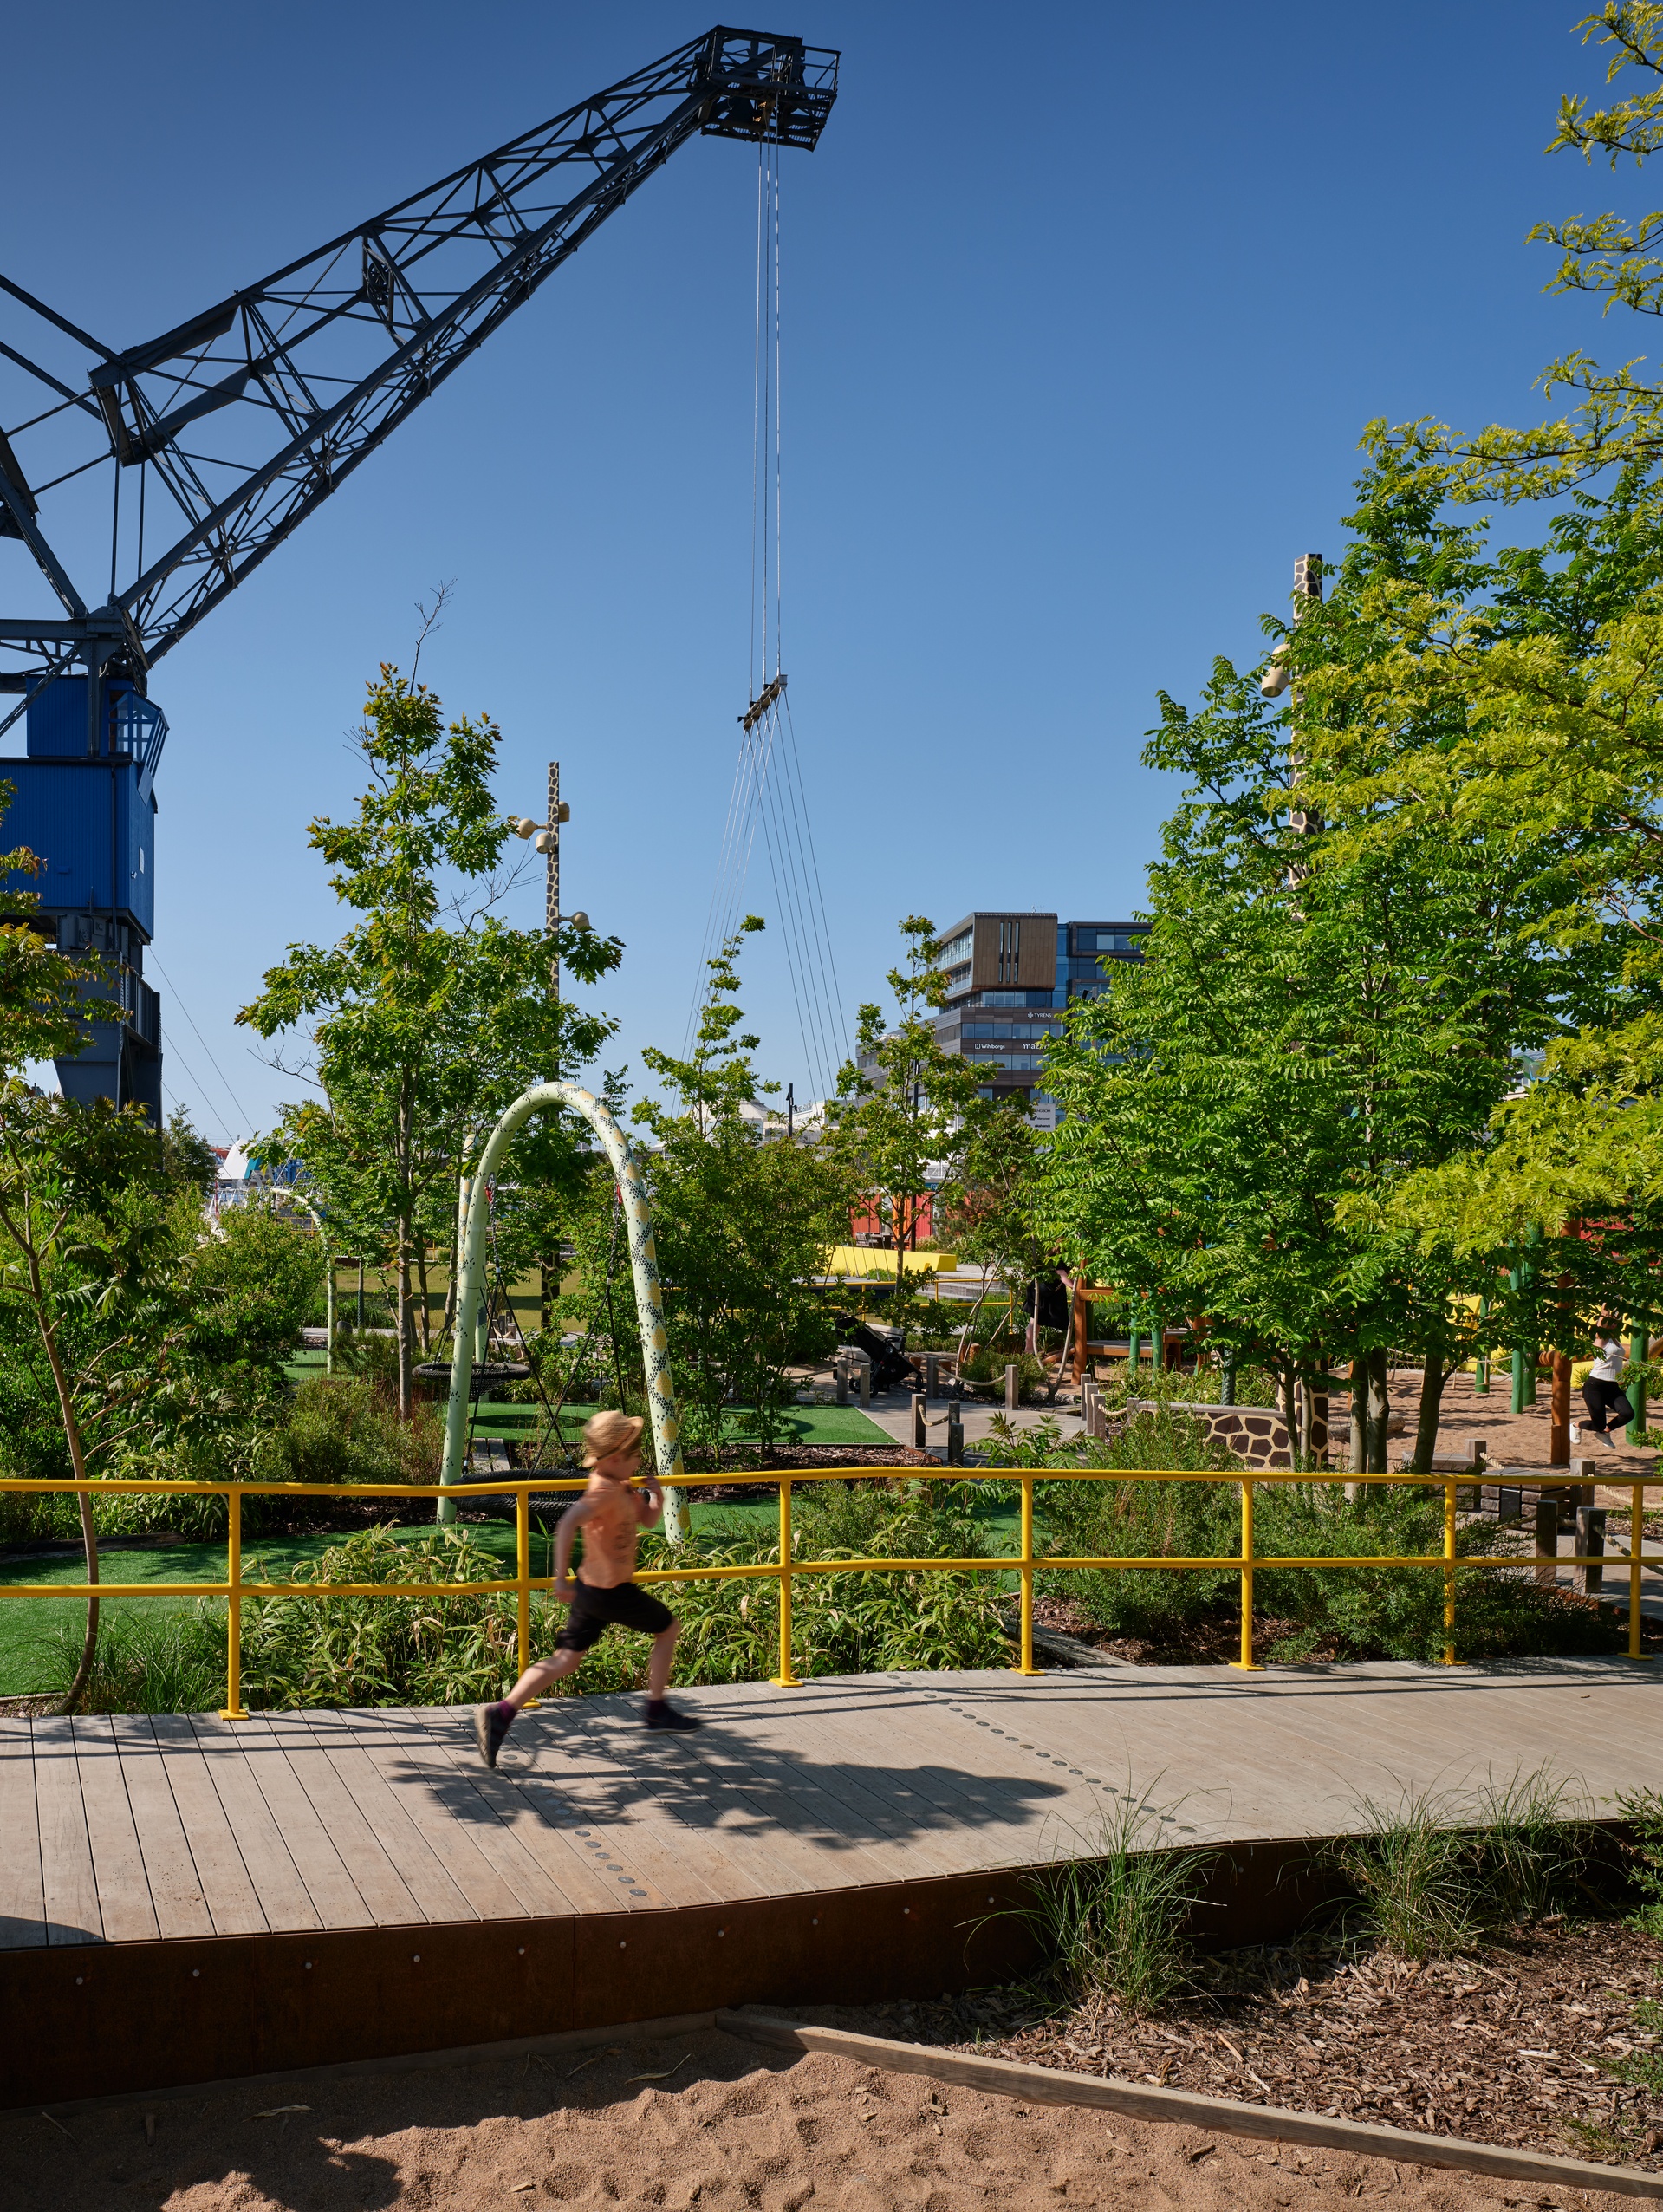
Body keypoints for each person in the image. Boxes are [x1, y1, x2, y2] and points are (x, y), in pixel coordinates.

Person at [473, 1409, 700, 1766]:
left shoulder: (621, 1485)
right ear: (614, 1458)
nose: (641, 1459)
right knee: (668, 1628)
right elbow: (567, 1524)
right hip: (610, 1592)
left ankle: (500, 1714)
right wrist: (559, 1576)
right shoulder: (603, 1491)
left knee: (566, 1660)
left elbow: (648, 1520)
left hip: (593, 1590)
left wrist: (655, 1498)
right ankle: (656, 1710)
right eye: (636, 1454)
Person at [1580, 1321, 1635, 1453]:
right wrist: (1605, 1308)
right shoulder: (1601, 1340)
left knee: (1628, 1413)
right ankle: (1577, 1425)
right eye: (1611, 1322)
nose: (1614, 1324)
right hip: (1595, 1385)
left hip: (1612, 1386)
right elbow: (1601, 1325)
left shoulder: (1615, 1340)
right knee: (1598, 1424)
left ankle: (1605, 1432)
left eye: (1616, 1322)